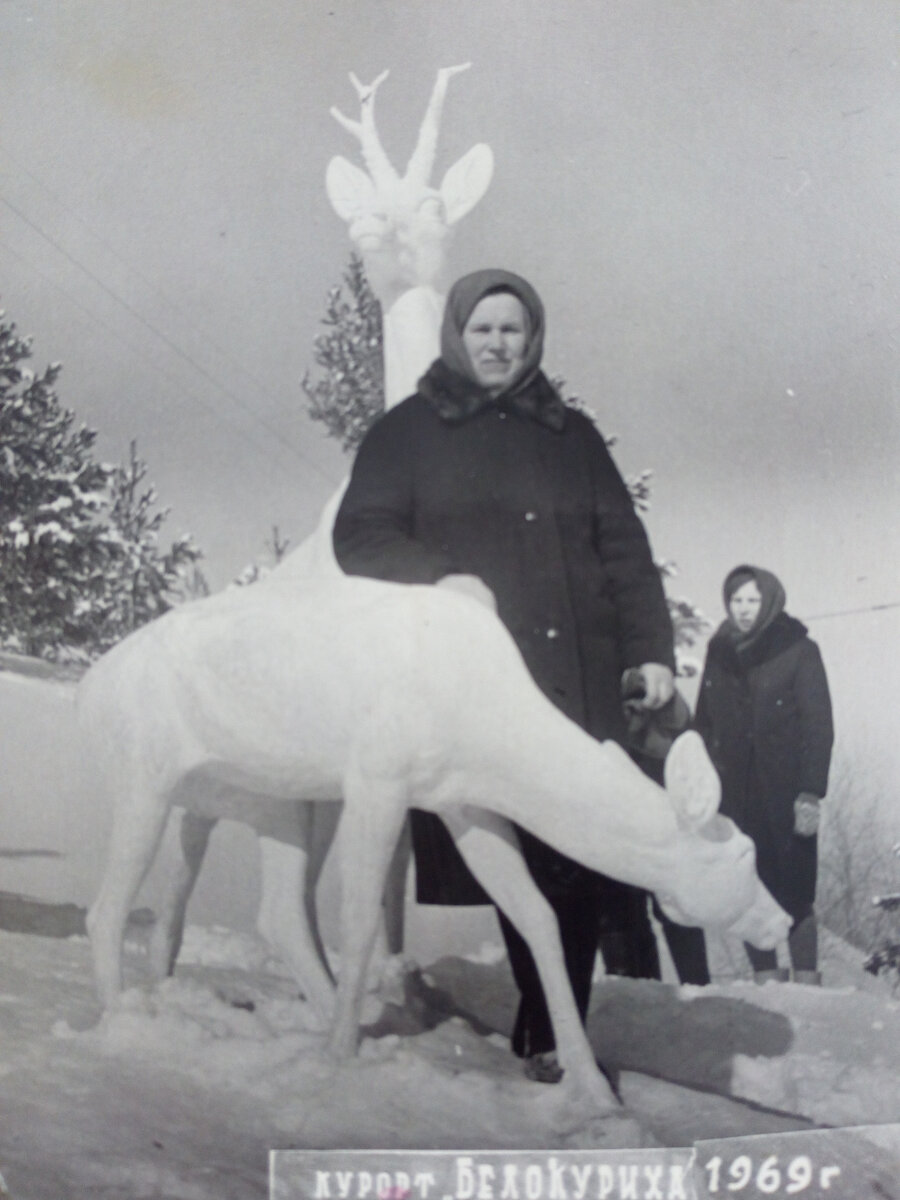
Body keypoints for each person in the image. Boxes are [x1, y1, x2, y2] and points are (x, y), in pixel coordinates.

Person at [332, 267, 676, 1080]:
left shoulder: (573, 435)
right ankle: (547, 1018)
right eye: (483, 329)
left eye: (511, 330)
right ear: (458, 334)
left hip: (577, 674)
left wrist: (650, 649)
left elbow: (624, 550)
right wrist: (440, 576)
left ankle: (553, 1027)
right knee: (511, 848)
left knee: (581, 855)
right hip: (477, 686)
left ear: (533, 339)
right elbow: (361, 536)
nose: (497, 343)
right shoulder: (407, 432)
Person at [694, 564, 834, 984]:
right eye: (736, 600)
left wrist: (810, 792)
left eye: (753, 600)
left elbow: (818, 726)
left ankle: (808, 984)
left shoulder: (799, 648)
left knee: (794, 890)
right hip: (735, 793)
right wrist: (703, 784)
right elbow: (705, 723)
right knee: (749, 888)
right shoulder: (719, 651)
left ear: (770, 600)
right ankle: (768, 984)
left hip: (787, 792)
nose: (744, 610)